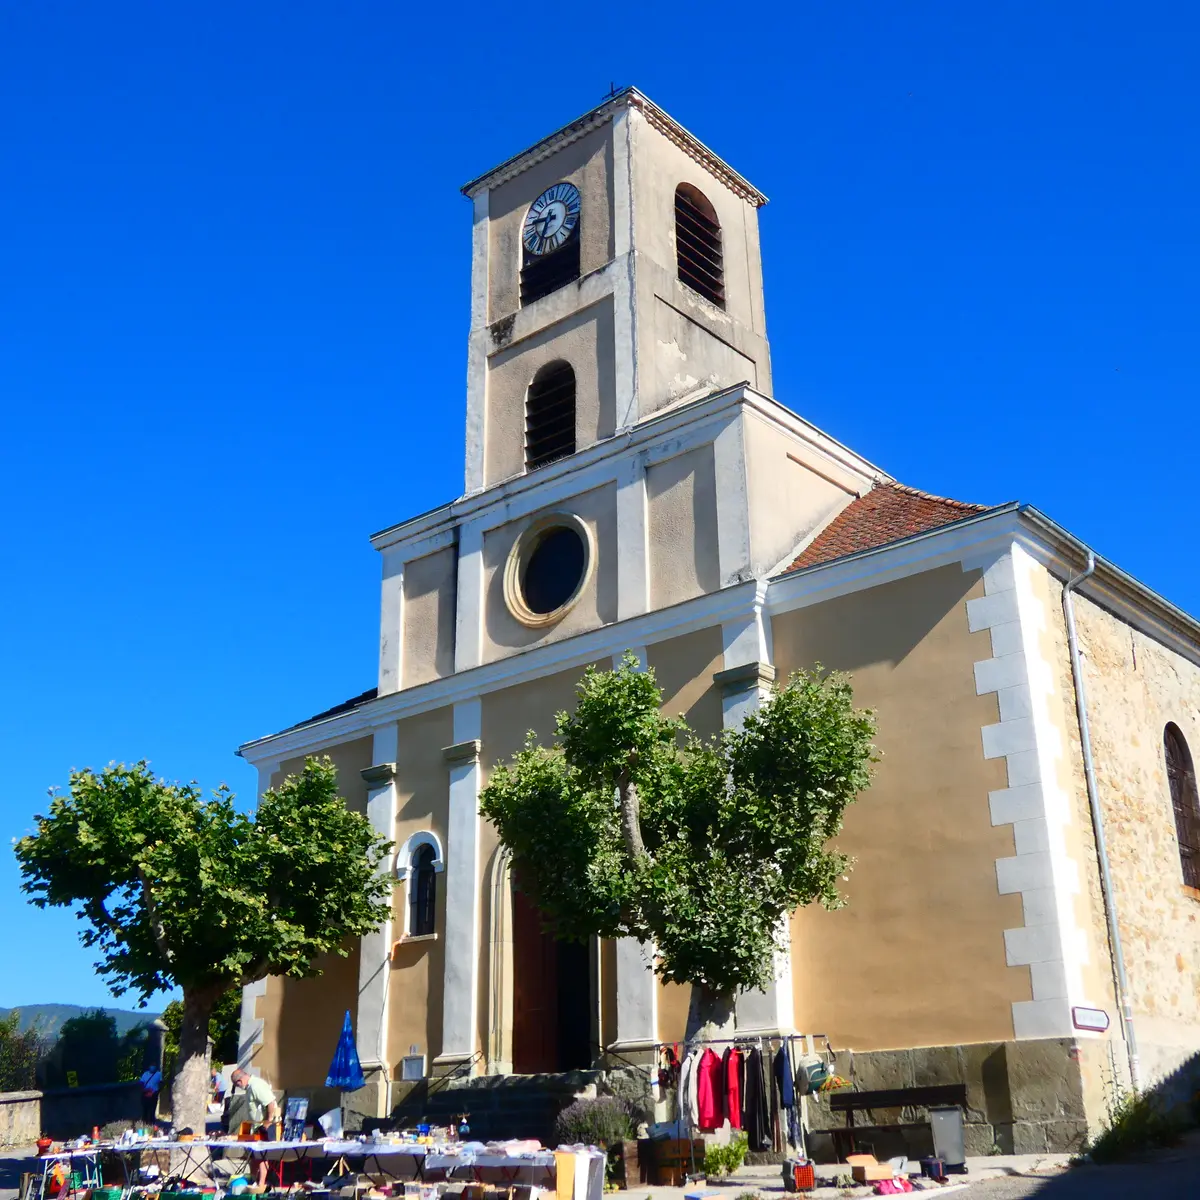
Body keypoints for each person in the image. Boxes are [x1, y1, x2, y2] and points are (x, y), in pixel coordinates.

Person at [229, 1066, 279, 1188]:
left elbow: (270, 1103)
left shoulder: (256, 1086)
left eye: (237, 1085)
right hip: (256, 1127)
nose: (239, 1087)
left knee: (261, 1156)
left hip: (264, 1127)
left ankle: (261, 1184)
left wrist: (268, 1121)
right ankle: (253, 1180)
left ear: (239, 1081)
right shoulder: (251, 1087)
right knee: (253, 1156)